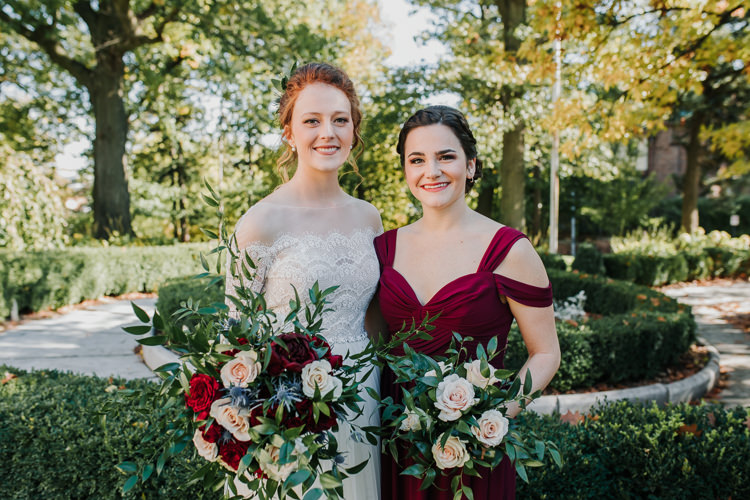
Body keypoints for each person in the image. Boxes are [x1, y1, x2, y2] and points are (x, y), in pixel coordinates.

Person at [374, 105, 560, 500]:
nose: (432, 171)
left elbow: (545, 353)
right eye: (417, 160)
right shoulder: (383, 248)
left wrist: (489, 419)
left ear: (471, 166)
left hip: (473, 451)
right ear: (406, 170)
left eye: (446, 157)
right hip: (395, 442)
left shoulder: (510, 250)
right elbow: (373, 346)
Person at [225, 62, 382, 499]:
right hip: (289, 404)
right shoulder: (260, 223)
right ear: (290, 134)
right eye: (311, 120)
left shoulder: (370, 217)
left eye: (340, 120)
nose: (327, 132)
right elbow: (235, 334)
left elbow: (375, 317)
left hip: (363, 395)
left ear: (353, 131)